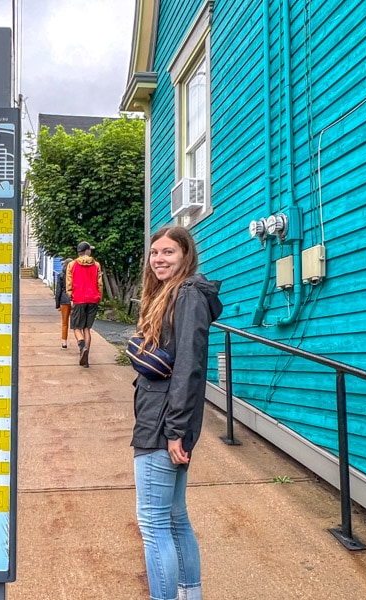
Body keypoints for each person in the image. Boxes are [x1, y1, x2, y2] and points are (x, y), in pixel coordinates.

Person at [131, 226, 222, 600]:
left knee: (153, 525)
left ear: (186, 255)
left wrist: (174, 430)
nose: (159, 260)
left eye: (168, 252)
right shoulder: (174, 295)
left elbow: (188, 366)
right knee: (173, 516)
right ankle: (188, 594)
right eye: (155, 253)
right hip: (164, 418)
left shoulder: (186, 296)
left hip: (163, 423)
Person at [65, 241, 103, 368]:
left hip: (79, 298)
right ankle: (85, 358)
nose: (90, 251)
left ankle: (82, 347)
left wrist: (71, 296)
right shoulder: (96, 265)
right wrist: (99, 297)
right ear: (86, 251)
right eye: (89, 250)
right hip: (93, 299)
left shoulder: (72, 265)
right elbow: (100, 283)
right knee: (87, 328)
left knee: (76, 327)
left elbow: (69, 283)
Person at [54, 258, 73, 349]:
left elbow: (58, 291)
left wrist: (57, 304)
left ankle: (64, 343)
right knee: (77, 324)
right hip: (75, 300)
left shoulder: (61, 275)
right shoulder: (76, 274)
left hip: (64, 300)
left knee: (65, 323)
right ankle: (81, 341)